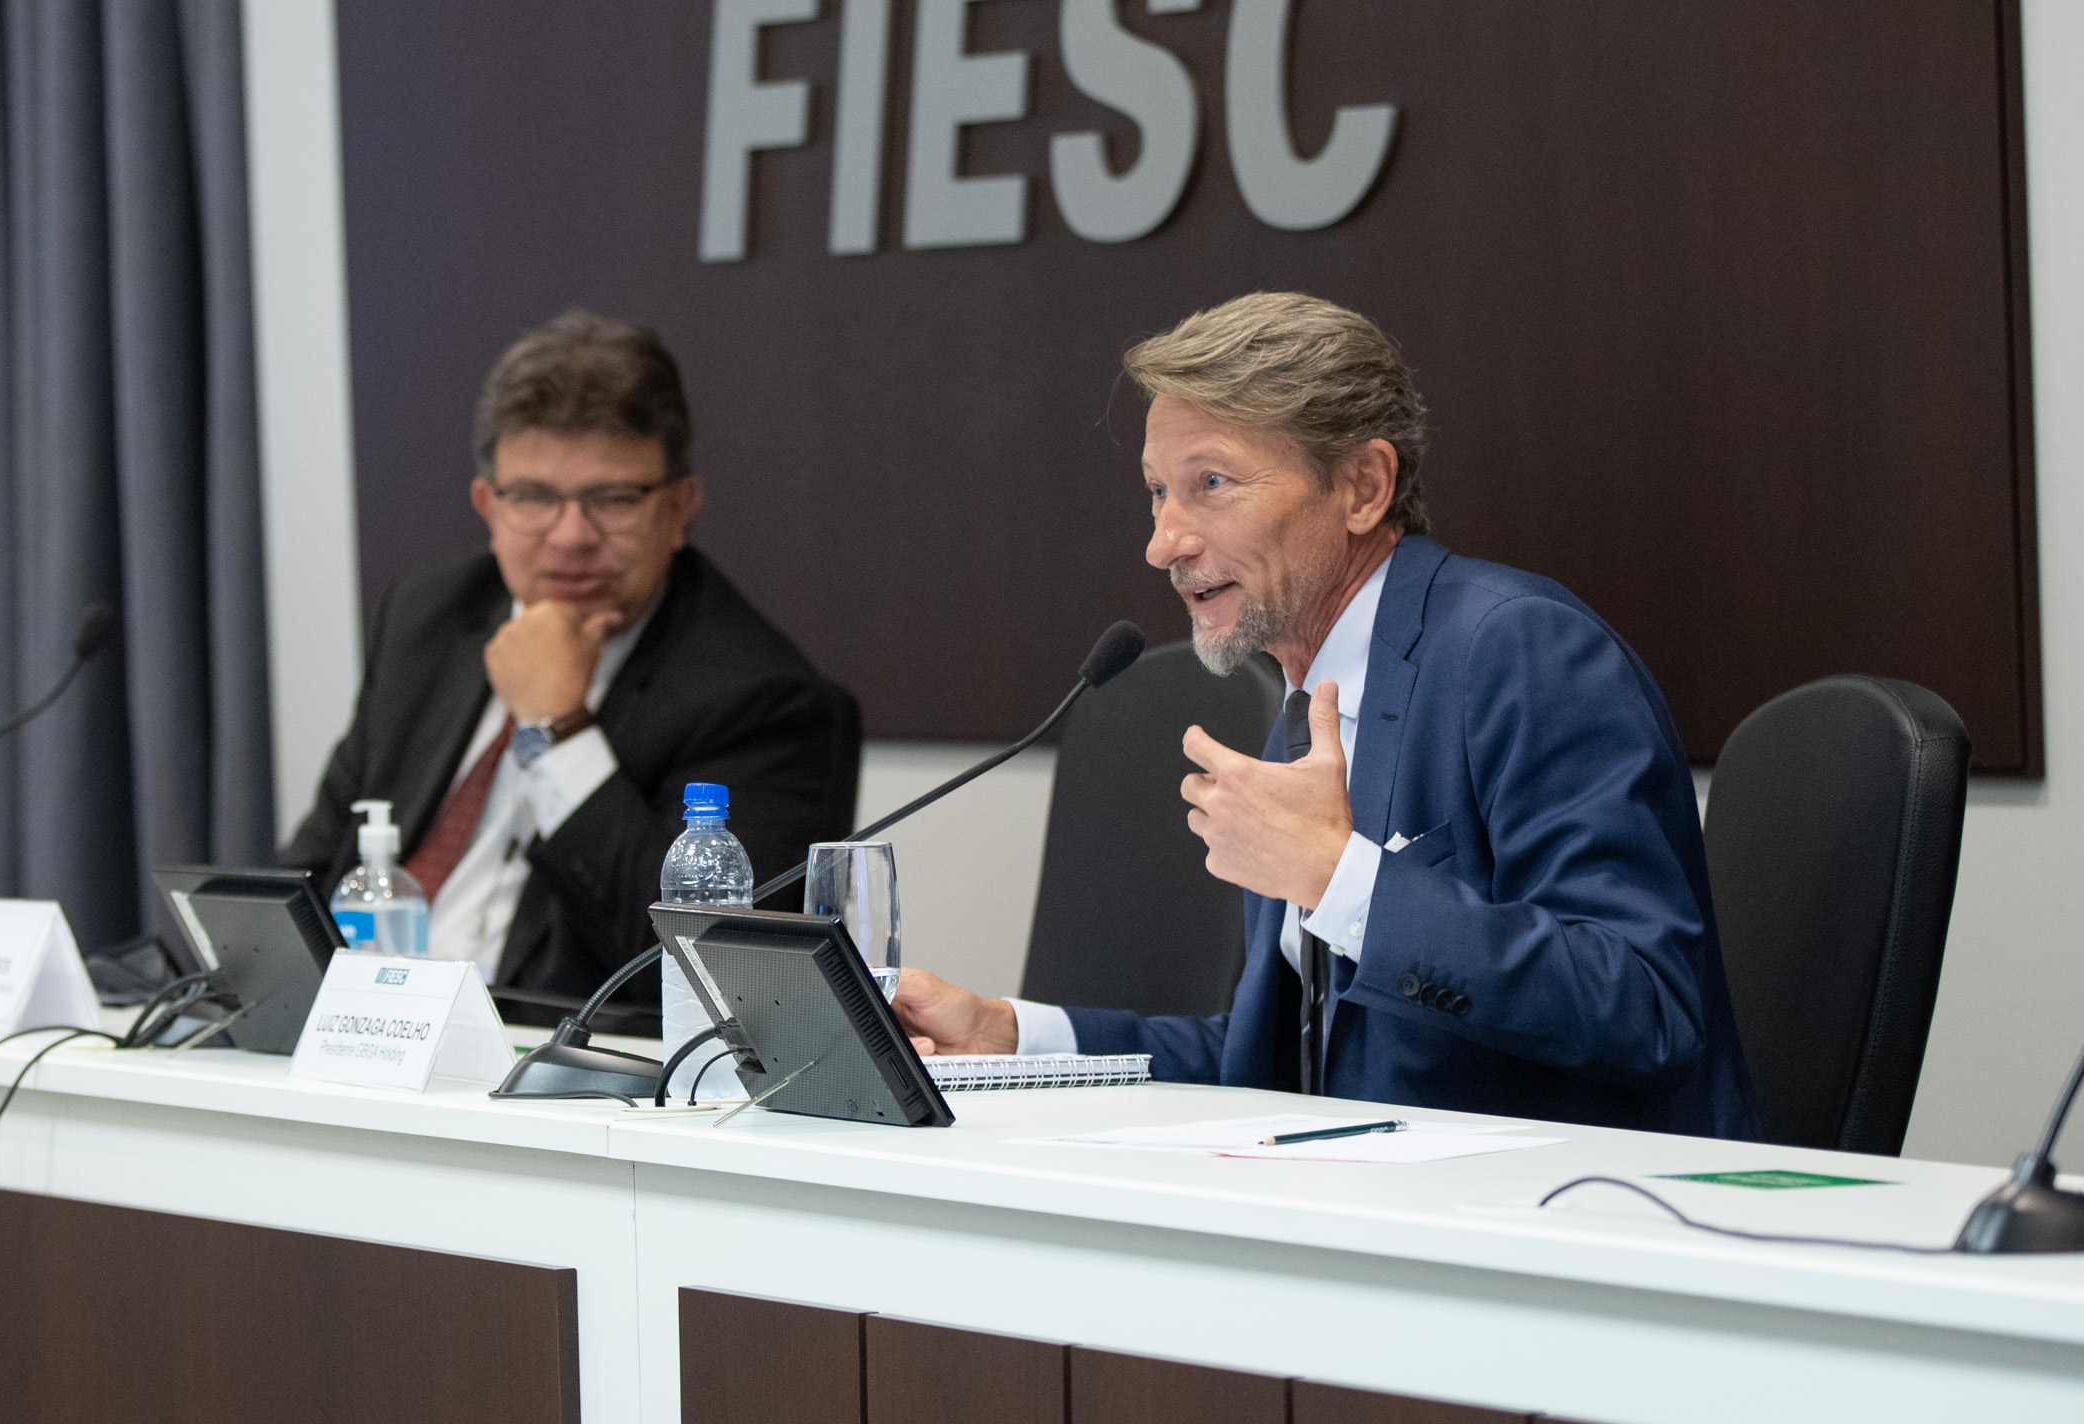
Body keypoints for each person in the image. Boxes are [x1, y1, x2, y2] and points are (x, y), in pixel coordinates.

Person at [893, 293, 1760, 1139]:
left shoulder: (1519, 650)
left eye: (1212, 483)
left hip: (1567, 1210)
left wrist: (1337, 877)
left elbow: (1644, 1004)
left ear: (1362, 487)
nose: (1164, 543)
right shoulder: (1308, 703)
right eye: (1158, 491)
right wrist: (1012, 1036)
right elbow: (1281, 1067)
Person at [283, 310, 860, 1015]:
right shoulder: (429, 619)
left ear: (681, 506)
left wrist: (560, 730)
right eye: (533, 497)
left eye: (612, 499)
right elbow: (317, 863)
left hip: (554, 1066)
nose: (571, 536)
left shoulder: (768, 701)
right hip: (367, 1038)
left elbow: (716, 980)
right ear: (488, 505)